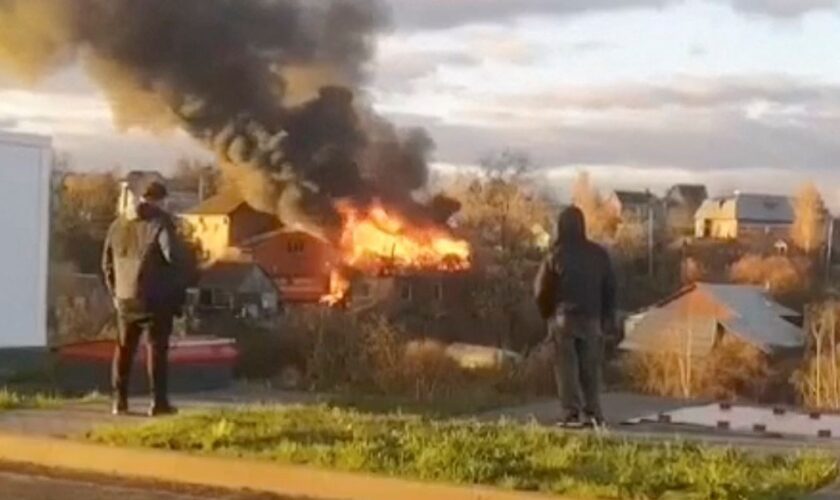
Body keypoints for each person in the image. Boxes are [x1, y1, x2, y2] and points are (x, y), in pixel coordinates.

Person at [102, 180, 191, 417]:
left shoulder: (117, 225)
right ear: (159, 200)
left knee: (123, 349)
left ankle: (119, 402)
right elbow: (173, 257)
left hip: (124, 298)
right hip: (154, 298)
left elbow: (106, 265)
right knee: (156, 350)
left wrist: (115, 294)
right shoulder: (160, 222)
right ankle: (158, 403)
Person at [534, 206, 617, 427]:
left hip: (564, 319)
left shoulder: (555, 254)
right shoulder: (599, 255)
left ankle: (571, 414)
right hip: (592, 319)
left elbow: (541, 290)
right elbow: (610, 288)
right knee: (590, 367)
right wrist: (607, 317)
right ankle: (593, 413)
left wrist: (547, 315)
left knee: (566, 368)